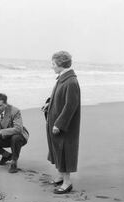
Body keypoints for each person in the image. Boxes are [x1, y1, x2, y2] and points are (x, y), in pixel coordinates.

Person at [41, 51, 81, 194]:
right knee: (57, 149)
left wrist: (59, 124)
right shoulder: (63, 78)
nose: (52, 67)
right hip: (56, 122)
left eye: (53, 64)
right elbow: (58, 96)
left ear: (60, 64)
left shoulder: (71, 81)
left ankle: (67, 183)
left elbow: (70, 106)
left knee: (64, 151)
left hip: (64, 126)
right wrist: (49, 103)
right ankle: (60, 176)